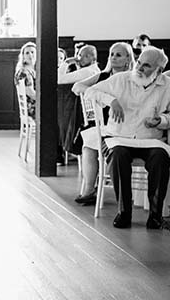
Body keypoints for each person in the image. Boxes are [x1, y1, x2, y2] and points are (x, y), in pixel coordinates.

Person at [85, 46, 170, 229]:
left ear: (159, 70)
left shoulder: (167, 85)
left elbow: (169, 117)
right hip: (119, 137)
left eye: (146, 66)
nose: (139, 68)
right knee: (119, 156)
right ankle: (124, 212)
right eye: (139, 62)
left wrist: (160, 121)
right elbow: (89, 91)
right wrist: (111, 101)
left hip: (149, 139)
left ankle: (155, 216)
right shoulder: (121, 79)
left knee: (161, 158)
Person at [71, 42, 134, 205]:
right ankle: (89, 190)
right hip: (104, 124)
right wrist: (103, 97)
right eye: (112, 54)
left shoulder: (134, 78)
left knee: (92, 140)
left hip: (128, 125)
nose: (113, 57)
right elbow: (77, 87)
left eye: (118, 55)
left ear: (128, 58)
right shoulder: (103, 76)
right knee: (89, 142)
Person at [57, 44, 100, 158]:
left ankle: (61, 150)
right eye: (78, 55)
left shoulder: (88, 72)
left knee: (59, 114)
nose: (78, 58)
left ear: (92, 58)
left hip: (84, 115)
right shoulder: (91, 70)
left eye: (82, 56)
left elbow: (59, 79)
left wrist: (66, 62)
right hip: (88, 112)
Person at [15, 42, 37, 119]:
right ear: (23, 57)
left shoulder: (33, 71)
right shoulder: (24, 72)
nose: (30, 55)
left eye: (32, 52)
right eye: (27, 53)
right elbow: (32, 94)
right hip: (33, 109)